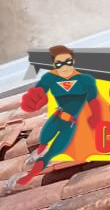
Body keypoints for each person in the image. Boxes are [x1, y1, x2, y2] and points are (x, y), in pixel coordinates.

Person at [14, 45, 102, 186]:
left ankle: (30, 176)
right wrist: (35, 100)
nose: (64, 67)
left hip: (70, 124)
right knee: (43, 141)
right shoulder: (49, 78)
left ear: (73, 61)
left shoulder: (86, 80)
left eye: (68, 62)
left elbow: (93, 101)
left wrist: (95, 116)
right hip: (56, 118)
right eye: (59, 64)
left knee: (52, 153)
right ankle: (33, 168)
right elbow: (38, 93)